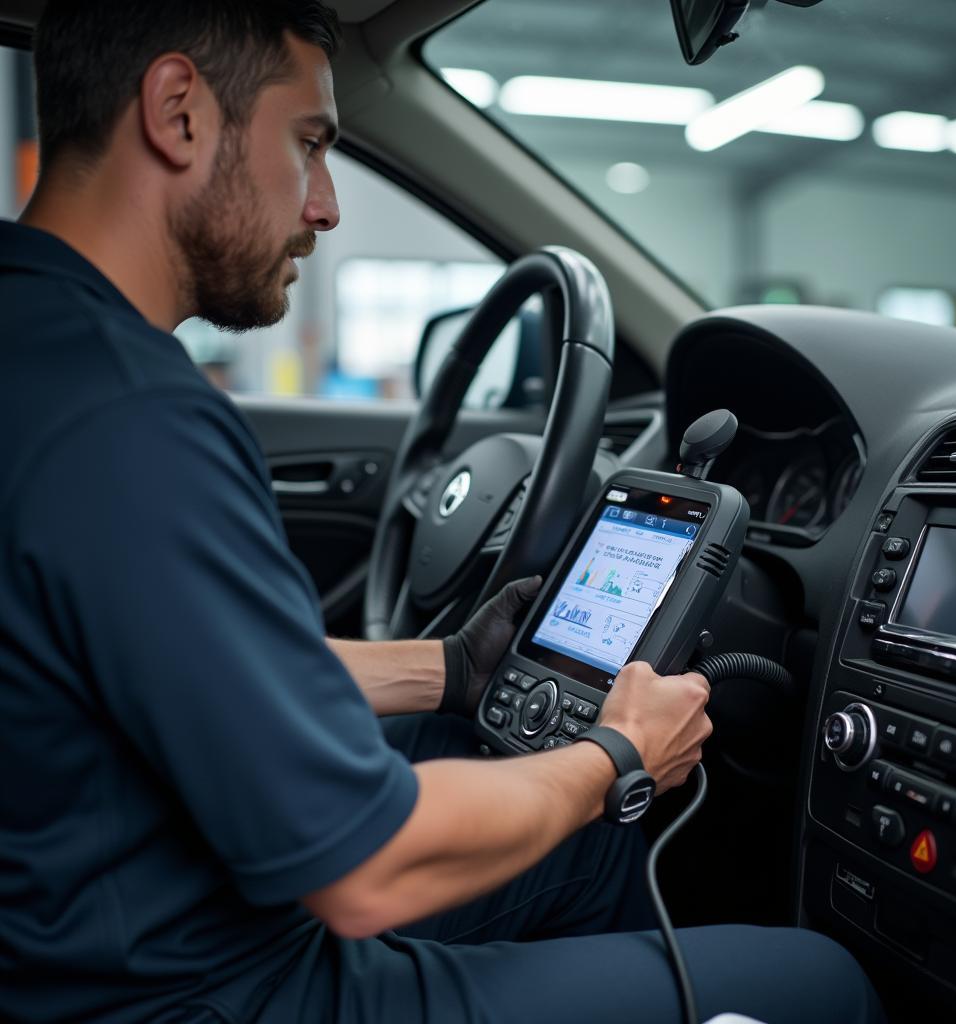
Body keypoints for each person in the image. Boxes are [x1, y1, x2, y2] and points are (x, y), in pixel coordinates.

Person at [0, 2, 885, 1022]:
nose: (325, 205)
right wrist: (619, 755)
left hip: (85, 928)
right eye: (310, 143)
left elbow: (170, 659)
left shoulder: (43, 355)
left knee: (592, 854)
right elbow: (367, 867)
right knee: (825, 984)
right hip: (207, 990)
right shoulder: (132, 417)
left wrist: (451, 667)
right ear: (178, 111)